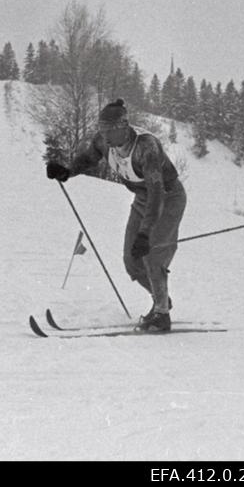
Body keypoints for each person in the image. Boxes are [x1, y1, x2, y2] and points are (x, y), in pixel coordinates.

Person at [45, 99, 186, 332]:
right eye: (102, 130)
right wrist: (68, 171)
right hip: (142, 199)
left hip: (166, 199)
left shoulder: (146, 147)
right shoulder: (104, 142)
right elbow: (89, 158)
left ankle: (161, 314)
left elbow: (156, 193)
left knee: (151, 255)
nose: (105, 136)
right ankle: (162, 299)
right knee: (132, 262)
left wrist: (146, 233)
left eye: (110, 130)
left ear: (124, 126)